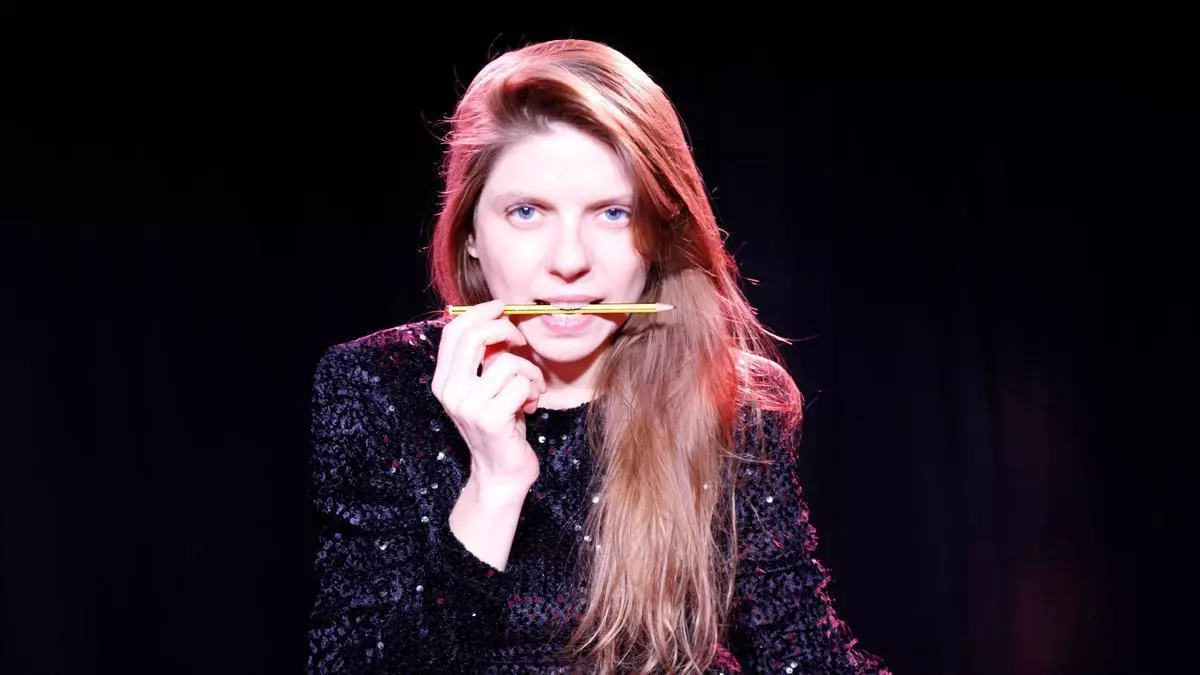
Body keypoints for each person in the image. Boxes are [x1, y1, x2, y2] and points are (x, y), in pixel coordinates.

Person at [306, 38, 890, 674]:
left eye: (613, 213)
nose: (569, 260)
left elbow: (808, 656)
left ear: (658, 233)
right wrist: (495, 486)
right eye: (526, 212)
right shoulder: (378, 387)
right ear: (470, 232)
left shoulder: (726, 400)